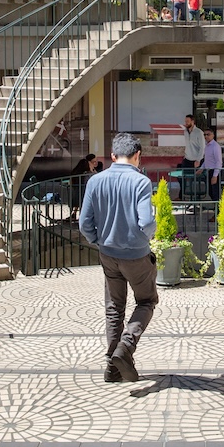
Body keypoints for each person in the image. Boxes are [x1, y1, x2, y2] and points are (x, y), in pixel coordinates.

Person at [79, 133, 158, 383]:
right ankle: (126, 346)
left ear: (113, 156)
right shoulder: (141, 182)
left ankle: (111, 368)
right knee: (146, 301)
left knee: (114, 308)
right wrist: (147, 238)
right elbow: (146, 222)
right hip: (136, 255)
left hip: (108, 254)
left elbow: (84, 224)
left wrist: (97, 241)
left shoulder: (95, 181)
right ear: (137, 156)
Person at [200, 128, 222, 199]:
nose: (206, 136)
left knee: (215, 192)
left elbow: (218, 161)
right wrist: (201, 168)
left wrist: (215, 175)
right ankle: (216, 208)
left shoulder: (215, 146)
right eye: (204, 135)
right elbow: (207, 159)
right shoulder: (207, 146)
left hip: (214, 171)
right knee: (210, 192)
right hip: (208, 171)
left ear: (213, 135)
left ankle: (218, 209)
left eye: (208, 134)